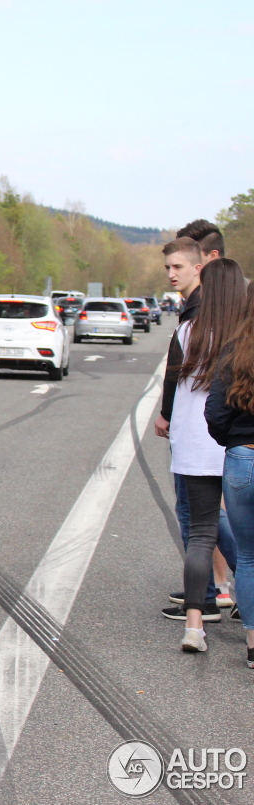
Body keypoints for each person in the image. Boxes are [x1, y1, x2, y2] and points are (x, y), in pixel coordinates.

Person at [155, 235, 239, 621]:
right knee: (209, 518)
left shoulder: (198, 315)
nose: (171, 274)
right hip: (216, 431)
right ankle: (209, 594)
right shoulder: (202, 310)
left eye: (178, 267)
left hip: (202, 431)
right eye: (168, 267)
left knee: (201, 520)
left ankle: (205, 599)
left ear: (200, 266)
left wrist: (167, 413)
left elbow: (178, 372)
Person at [204, 278, 254, 668]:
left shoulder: (235, 350)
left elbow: (215, 412)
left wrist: (233, 441)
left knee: (250, 557)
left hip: (242, 459)